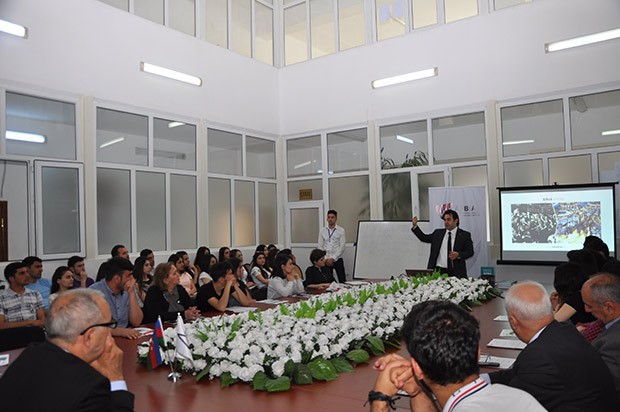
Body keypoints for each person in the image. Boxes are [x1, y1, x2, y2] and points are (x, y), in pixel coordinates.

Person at [370, 300, 545, 412]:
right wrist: (418, 392)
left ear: (416, 368)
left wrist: (379, 399)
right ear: (478, 353)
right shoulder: (518, 397)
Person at [487, 281, 619, 411]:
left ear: (513, 322)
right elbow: (520, 372)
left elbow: (510, 405)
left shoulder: (539, 357)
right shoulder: (564, 330)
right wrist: (484, 379)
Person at [0, 289, 134, 411]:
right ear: (89, 336)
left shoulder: (30, 353)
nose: (110, 332)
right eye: (109, 325)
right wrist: (115, 377)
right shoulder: (89, 387)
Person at [582, 273, 620, 402]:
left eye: (590, 306)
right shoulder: (611, 325)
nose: (586, 310)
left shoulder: (615, 343)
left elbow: (603, 386)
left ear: (609, 307)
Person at [89, 257, 143, 339]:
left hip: (125, 338)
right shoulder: (93, 293)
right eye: (129, 276)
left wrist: (131, 292)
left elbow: (137, 322)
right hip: (102, 339)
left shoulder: (128, 289)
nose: (132, 279)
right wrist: (120, 331)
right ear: (117, 279)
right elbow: (92, 327)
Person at [411, 209, 474, 278]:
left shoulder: (464, 235)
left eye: (449, 219)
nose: (446, 222)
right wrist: (415, 226)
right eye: (445, 220)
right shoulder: (437, 233)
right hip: (438, 271)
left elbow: (470, 252)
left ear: (456, 221)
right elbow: (424, 238)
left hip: (456, 272)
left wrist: (458, 254)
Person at [0, 262, 45, 329]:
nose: (27, 275)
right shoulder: (2, 298)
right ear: (11, 278)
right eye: (22, 273)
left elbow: (42, 321)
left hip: (34, 331)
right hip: (11, 332)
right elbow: (1, 325)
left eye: (27, 272)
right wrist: (29, 322)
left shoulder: (35, 294)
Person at [318, 209, 346, 283]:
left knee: (342, 280)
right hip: (325, 260)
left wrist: (333, 258)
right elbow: (320, 246)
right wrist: (326, 258)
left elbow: (342, 247)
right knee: (327, 280)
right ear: (327, 219)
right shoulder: (322, 230)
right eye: (329, 217)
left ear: (336, 218)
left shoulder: (341, 230)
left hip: (337, 259)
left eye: (332, 217)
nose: (330, 219)